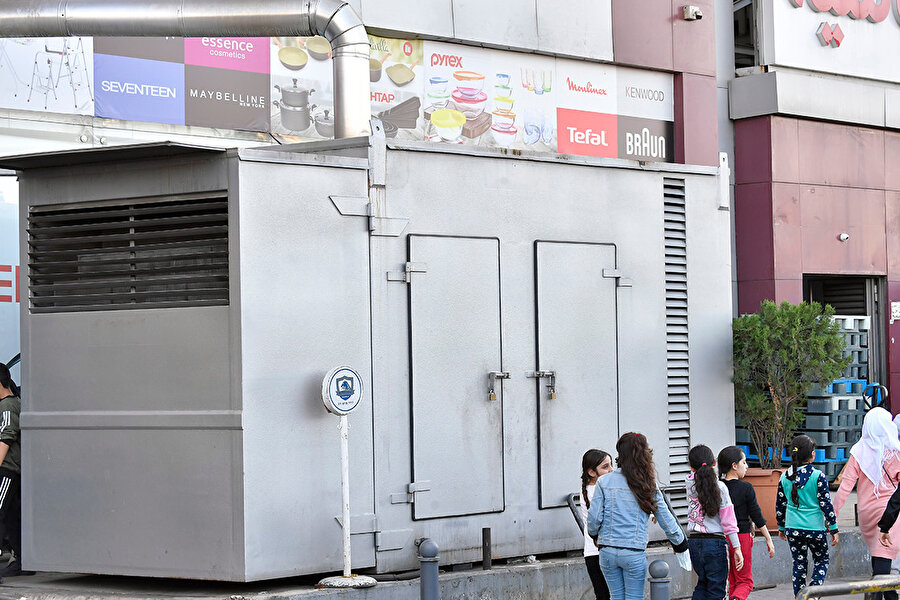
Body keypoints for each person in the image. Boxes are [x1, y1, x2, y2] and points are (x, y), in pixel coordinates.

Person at [587, 432, 688, 600]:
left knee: (616, 597)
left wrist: (594, 534)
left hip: (607, 551)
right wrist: (680, 544)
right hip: (633, 552)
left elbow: (594, 518)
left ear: (620, 454)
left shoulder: (604, 482)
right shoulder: (647, 484)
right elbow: (664, 517)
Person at [833, 407, 900, 600]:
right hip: (889, 513)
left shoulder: (858, 451)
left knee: (879, 561)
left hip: (866, 514)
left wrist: (832, 517)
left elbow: (845, 488)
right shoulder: (895, 452)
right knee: (883, 567)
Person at [776, 434, 839, 597]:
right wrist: (833, 527)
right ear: (812, 455)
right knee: (822, 560)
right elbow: (826, 504)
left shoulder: (784, 476)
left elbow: (780, 505)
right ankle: (813, 592)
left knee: (799, 564)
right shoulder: (818, 476)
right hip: (815, 529)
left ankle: (800, 596)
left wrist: (781, 527)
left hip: (793, 528)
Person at [717, 445, 775, 600]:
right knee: (745, 581)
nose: (747, 466)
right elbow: (756, 515)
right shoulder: (746, 488)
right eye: (744, 462)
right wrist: (768, 539)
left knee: (732, 580)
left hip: (721, 538)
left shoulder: (717, 487)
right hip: (741, 537)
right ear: (734, 466)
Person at [685, 444, 743, 600]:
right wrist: (736, 547)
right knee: (716, 590)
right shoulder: (721, 487)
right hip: (715, 543)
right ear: (714, 463)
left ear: (691, 467)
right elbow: (728, 521)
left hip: (694, 543)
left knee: (702, 585)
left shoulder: (689, 486)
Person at [0, 363, 23, 578]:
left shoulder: (7, 406)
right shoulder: (14, 402)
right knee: (10, 516)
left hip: (7, 470)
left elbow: (7, 436)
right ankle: (20, 561)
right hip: (11, 470)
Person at [580, 449, 613, 600]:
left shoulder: (587, 490)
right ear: (592, 472)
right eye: (606, 467)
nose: (612, 470)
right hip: (602, 550)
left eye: (611, 465)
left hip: (592, 552)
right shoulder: (598, 491)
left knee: (602, 595)